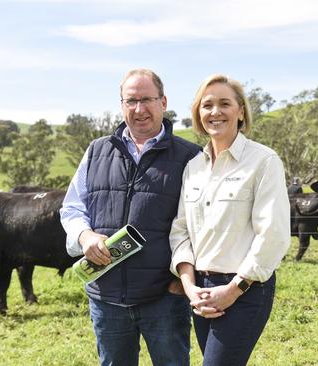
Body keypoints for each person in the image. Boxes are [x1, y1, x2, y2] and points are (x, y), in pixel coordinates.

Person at [60, 68, 201, 366]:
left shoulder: (191, 156)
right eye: (131, 100)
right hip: (106, 296)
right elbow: (72, 208)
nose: (139, 109)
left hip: (164, 296)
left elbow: (202, 225)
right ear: (121, 104)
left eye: (147, 99)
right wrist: (85, 236)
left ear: (163, 102)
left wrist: (181, 281)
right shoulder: (97, 151)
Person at [169, 74, 290, 365]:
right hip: (201, 291)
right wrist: (189, 287)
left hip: (246, 289)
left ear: (241, 111)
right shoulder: (193, 168)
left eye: (225, 103)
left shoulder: (263, 161)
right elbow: (180, 231)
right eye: (206, 105)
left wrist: (234, 290)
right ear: (198, 114)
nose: (215, 112)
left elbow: (272, 234)